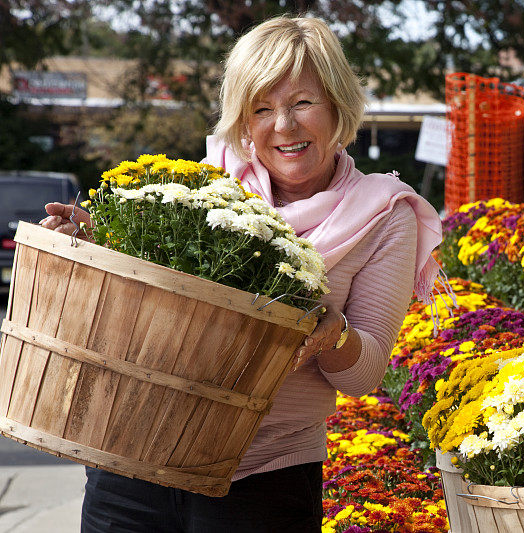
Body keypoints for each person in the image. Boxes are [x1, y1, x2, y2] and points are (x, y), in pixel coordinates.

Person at [40, 15, 444, 533]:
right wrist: (102, 246)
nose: (284, 127)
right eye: (262, 109)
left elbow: (363, 377)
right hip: (133, 460)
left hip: (264, 481)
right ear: (243, 120)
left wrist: (331, 334)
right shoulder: (208, 189)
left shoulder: (385, 214)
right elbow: (152, 310)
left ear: (338, 105)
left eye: (302, 104)